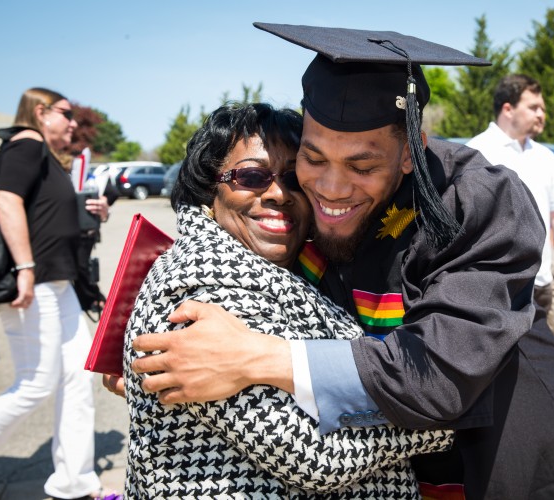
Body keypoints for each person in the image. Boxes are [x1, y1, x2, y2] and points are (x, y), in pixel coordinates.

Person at [130, 24, 554, 498]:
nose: (330, 187)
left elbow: (438, 376)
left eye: (362, 166)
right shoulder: (301, 198)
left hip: (491, 455)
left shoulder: (478, 201)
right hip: (384, 469)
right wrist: (144, 355)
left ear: (411, 153)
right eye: (312, 158)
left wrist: (259, 358)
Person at [124, 102, 452, 498]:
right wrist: (441, 412)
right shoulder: (204, 287)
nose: (278, 193)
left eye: (294, 177)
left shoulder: (274, 264)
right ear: (209, 186)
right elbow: (315, 452)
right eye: (251, 176)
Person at [0, 88, 103, 500]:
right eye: (65, 114)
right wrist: (25, 268)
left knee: (77, 377)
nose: (73, 123)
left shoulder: (51, 160)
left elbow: (50, 217)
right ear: (40, 112)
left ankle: (74, 482)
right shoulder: (27, 143)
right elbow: (5, 200)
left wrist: (92, 213)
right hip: (35, 284)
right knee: (36, 383)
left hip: (59, 284)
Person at [466, 74, 554, 347]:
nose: (542, 114)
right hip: (501, 285)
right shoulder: (477, 152)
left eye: (543, 108)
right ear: (508, 108)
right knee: (507, 372)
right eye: (534, 107)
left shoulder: (544, 156)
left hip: (547, 277)